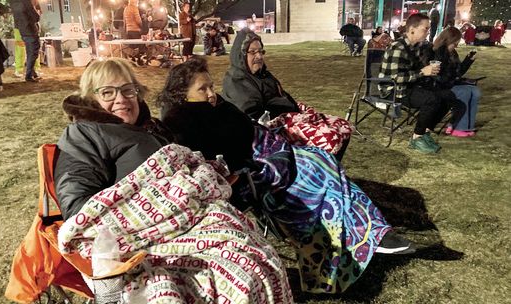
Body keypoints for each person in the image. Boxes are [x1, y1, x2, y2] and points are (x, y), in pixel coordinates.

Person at [158, 57, 415, 295]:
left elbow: (247, 126)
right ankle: (362, 238)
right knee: (312, 175)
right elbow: (218, 156)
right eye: (203, 89)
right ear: (182, 93)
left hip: (267, 150)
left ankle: (371, 231)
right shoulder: (181, 121)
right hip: (247, 172)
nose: (212, 94)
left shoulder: (217, 105)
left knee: (320, 158)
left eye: (211, 86)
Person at [54, 58, 293, 303]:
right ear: (91, 98)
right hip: (142, 236)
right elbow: (77, 206)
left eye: (128, 90)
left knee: (258, 258)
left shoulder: (151, 127)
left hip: (193, 219)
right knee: (235, 278)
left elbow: (181, 162)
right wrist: (156, 201)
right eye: (107, 92)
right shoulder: (84, 134)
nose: (121, 99)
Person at [222, 28, 352, 160]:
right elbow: (254, 115)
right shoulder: (237, 80)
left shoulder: (263, 75)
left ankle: (331, 169)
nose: (259, 56)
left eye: (261, 51)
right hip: (272, 131)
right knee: (330, 137)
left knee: (342, 126)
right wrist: (286, 115)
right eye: (253, 52)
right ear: (241, 54)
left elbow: (282, 96)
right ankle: (318, 172)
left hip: (290, 117)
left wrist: (297, 111)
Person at [379, 13, 465, 154]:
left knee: (448, 96)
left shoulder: (418, 47)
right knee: (432, 99)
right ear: (412, 29)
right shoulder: (398, 47)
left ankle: (425, 131)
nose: (428, 31)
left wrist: (432, 68)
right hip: (393, 89)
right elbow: (395, 78)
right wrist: (422, 72)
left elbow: (423, 65)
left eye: (429, 28)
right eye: (425, 29)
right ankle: (417, 138)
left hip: (410, 86)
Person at [423, 27, 481, 137]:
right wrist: (453, 79)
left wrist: (468, 60)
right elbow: (438, 76)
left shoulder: (453, 53)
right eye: (456, 42)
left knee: (475, 91)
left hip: (451, 83)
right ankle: (458, 127)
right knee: (465, 92)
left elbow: (458, 72)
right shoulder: (437, 52)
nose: (457, 44)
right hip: (440, 86)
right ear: (449, 39)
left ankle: (466, 125)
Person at [11, 0, 41, 82]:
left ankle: (33, 72)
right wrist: (36, 11)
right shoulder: (26, 2)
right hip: (30, 29)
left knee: (29, 51)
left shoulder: (13, 3)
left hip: (21, 30)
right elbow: (36, 17)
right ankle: (29, 75)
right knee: (33, 52)